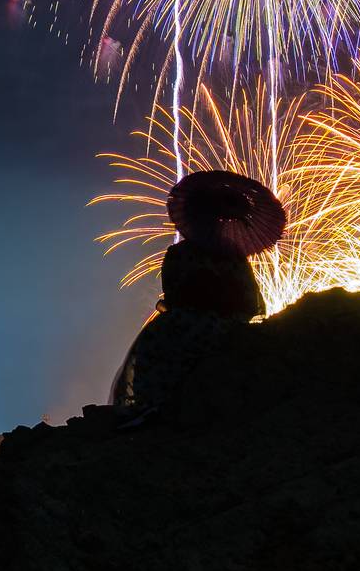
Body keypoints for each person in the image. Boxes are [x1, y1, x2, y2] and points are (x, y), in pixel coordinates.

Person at [109, 170, 281, 418]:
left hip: (188, 325)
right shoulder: (232, 257)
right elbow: (251, 304)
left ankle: (154, 405)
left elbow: (173, 295)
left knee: (154, 345)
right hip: (222, 326)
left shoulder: (182, 254)